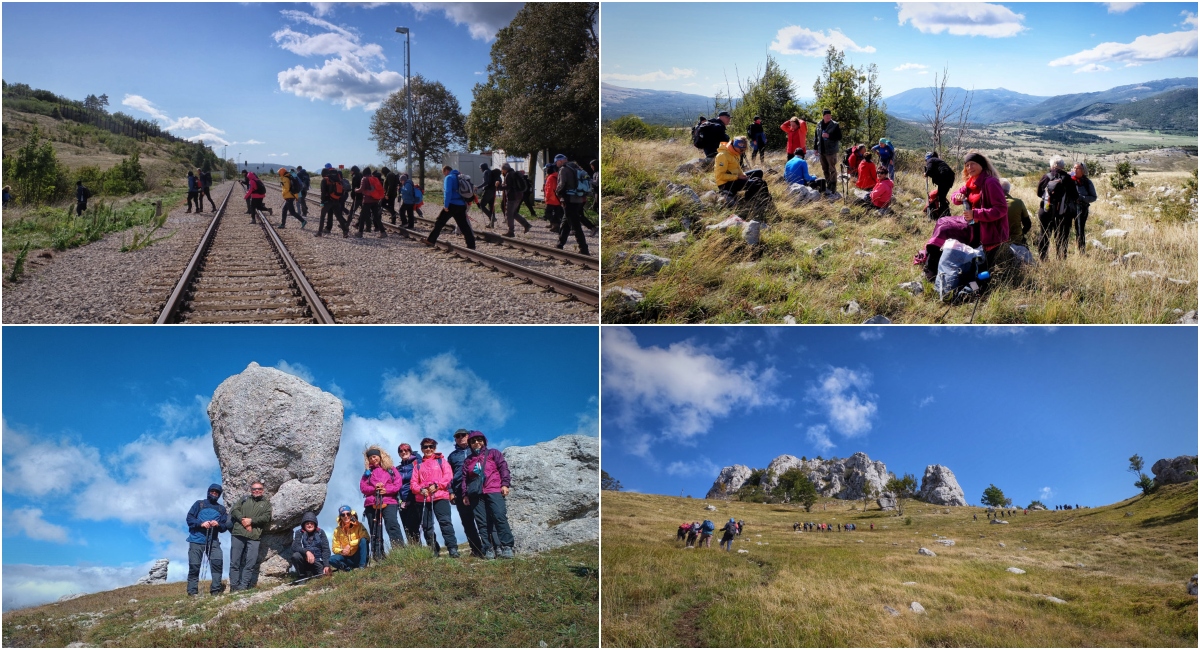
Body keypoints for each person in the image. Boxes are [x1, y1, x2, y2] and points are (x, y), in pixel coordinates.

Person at [461, 431, 515, 559]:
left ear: (484, 441)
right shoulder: (468, 461)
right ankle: (488, 548)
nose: (476, 443)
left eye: (479, 440)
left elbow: (503, 468)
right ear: (470, 444)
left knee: (499, 516)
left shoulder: (493, 453)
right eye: (473, 441)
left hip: (494, 489)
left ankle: (507, 546)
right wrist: (465, 494)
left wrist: (505, 484)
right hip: (475, 494)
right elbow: (464, 479)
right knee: (482, 522)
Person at [951, 151, 1010, 264]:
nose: (969, 167)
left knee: (984, 265)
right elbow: (954, 196)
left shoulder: (990, 182)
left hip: (990, 233)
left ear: (981, 164)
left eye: (973, 163)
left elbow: (1001, 209)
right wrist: (957, 197)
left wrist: (975, 214)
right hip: (975, 227)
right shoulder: (971, 182)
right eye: (967, 165)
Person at [411, 437, 459, 558]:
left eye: (431, 446)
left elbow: (448, 476)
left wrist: (437, 485)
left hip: (440, 496)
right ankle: (433, 549)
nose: (428, 449)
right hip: (423, 498)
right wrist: (420, 490)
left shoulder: (441, 461)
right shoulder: (417, 465)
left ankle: (452, 548)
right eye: (425, 447)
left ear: (435, 448)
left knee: (445, 522)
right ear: (422, 449)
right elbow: (413, 484)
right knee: (427, 526)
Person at [359, 446, 405, 559]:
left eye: (374, 457)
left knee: (392, 525)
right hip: (371, 503)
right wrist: (375, 488)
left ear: (380, 457)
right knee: (374, 529)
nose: (373, 459)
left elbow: (398, 484)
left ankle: (399, 552)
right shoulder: (367, 473)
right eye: (370, 458)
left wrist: (386, 490)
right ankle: (378, 556)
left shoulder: (391, 469)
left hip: (389, 501)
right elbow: (363, 487)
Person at [185, 483, 230, 596]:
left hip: (213, 540)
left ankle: (215, 591)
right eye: (212, 492)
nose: (214, 494)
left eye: (216, 493)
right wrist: (201, 524)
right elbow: (189, 518)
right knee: (194, 566)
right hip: (196, 539)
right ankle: (192, 592)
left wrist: (218, 524)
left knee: (217, 563)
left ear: (219, 495)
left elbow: (224, 527)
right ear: (208, 492)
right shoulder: (199, 504)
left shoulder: (221, 509)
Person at [447, 429, 485, 558]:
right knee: (467, 522)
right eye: (457, 436)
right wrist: (451, 492)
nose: (460, 438)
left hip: (476, 488)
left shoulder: (475, 449)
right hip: (459, 491)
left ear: (468, 436)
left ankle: (488, 546)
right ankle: (476, 549)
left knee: (482, 518)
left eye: (463, 435)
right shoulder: (452, 456)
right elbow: (449, 476)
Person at [229, 480, 271, 592]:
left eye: (259, 489)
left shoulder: (266, 504)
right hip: (238, 533)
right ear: (251, 490)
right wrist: (244, 521)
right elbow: (234, 510)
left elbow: (267, 518)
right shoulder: (244, 499)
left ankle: (243, 587)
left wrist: (251, 521)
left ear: (263, 490)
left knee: (250, 562)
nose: (257, 491)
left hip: (254, 536)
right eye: (254, 489)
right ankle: (234, 587)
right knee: (235, 561)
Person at [1035, 157, 1080, 260]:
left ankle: (1043, 258)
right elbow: (1075, 196)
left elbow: (1039, 193)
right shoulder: (1068, 178)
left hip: (1046, 210)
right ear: (1063, 166)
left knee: (1044, 234)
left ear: (1052, 166)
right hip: (1063, 212)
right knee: (1062, 236)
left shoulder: (1046, 177)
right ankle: (1060, 259)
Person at [426, 166, 477, 249]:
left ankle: (431, 240)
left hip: (451, 204)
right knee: (464, 226)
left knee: (439, 223)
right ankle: (471, 246)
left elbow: (448, 192)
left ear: (446, 171)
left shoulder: (449, 177)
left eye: (444, 173)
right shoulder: (460, 177)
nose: (444, 175)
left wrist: (446, 205)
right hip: (461, 205)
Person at [714, 137, 770, 211]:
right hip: (725, 184)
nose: (742, 152)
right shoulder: (722, 155)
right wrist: (738, 177)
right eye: (742, 149)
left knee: (759, 172)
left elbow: (737, 168)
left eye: (744, 150)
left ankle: (759, 196)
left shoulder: (735, 153)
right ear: (736, 146)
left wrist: (743, 175)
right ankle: (749, 201)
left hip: (735, 177)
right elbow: (720, 176)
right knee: (753, 183)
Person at [555, 155, 592, 254]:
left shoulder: (564, 169)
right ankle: (559, 244)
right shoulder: (577, 168)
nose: (556, 163)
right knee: (565, 222)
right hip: (579, 199)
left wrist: (557, 192)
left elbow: (562, 184)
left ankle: (584, 249)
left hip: (569, 199)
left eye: (557, 161)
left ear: (561, 161)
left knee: (575, 225)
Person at [289, 511, 331, 579]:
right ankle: (302, 576)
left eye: (311, 523)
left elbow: (325, 549)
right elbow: (295, 546)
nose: (309, 525)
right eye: (307, 523)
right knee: (296, 556)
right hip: (305, 561)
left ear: (315, 524)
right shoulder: (299, 533)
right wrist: (307, 552)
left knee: (323, 577)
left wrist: (326, 565)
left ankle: (315, 573)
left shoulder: (321, 532)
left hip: (318, 561)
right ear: (304, 525)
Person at [330, 505, 369, 572]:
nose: (346, 516)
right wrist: (342, 551)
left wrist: (350, 544)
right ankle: (347, 568)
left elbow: (366, 537)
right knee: (331, 559)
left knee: (363, 540)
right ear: (340, 517)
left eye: (348, 514)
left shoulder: (359, 525)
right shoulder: (337, 530)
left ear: (351, 514)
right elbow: (334, 548)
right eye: (343, 515)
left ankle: (362, 566)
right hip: (347, 557)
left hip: (358, 555)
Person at [396, 443, 422, 544]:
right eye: (401, 451)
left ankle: (432, 549)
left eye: (406, 450)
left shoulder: (417, 463)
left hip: (415, 498)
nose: (403, 452)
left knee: (419, 526)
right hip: (402, 502)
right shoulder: (398, 469)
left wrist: (411, 500)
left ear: (410, 451)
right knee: (407, 528)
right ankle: (415, 552)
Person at [499, 163, 532, 237]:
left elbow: (508, 186)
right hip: (519, 195)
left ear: (504, 169)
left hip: (512, 197)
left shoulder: (509, 175)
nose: (502, 172)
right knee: (513, 213)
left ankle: (511, 231)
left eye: (502, 170)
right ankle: (526, 225)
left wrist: (499, 187)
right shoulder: (514, 173)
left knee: (509, 214)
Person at [1072, 161, 1098, 253]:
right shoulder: (1069, 180)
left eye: (1077, 168)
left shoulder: (1087, 182)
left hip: (1082, 209)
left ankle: (1081, 251)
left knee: (1080, 230)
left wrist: (1082, 198)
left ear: (1083, 170)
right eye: (1074, 168)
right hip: (1069, 209)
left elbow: (1094, 197)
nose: (1075, 170)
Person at [354, 166, 386, 238]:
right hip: (375, 199)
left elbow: (361, 189)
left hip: (367, 201)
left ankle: (360, 232)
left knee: (362, 216)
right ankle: (383, 232)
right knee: (376, 217)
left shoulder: (364, 179)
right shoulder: (374, 178)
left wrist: (355, 190)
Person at [999, 179, 1032, 247]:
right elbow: (1028, 224)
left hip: (997, 242)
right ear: (1008, 190)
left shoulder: (990, 203)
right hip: (1016, 240)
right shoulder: (1018, 202)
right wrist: (1021, 234)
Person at [318, 164, 348, 237]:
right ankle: (345, 232)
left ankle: (319, 232)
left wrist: (322, 202)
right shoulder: (335, 179)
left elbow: (323, 192)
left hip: (328, 201)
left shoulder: (324, 180)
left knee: (322, 216)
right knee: (339, 217)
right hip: (336, 200)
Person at [814, 109, 842, 185]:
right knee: (824, 168)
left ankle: (833, 184)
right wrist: (815, 148)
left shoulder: (835, 125)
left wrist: (829, 136)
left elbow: (839, 137)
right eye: (827, 115)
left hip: (831, 151)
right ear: (823, 116)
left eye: (830, 115)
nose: (828, 117)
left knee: (832, 169)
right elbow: (816, 137)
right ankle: (828, 182)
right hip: (821, 150)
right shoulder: (819, 124)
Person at [924, 152, 956, 219]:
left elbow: (929, 169)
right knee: (942, 197)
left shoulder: (931, 160)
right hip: (950, 177)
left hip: (944, 177)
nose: (926, 162)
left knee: (941, 198)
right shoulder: (937, 161)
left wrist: (926, 173)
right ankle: (944, 213)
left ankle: (945, 214)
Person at [479, 163, 502, 228]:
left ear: (482, 167)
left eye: (480, 168)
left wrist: (478, 187)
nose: (480, 169)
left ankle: (492, 217)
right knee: (491, 207)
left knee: (481, 205)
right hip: (494, 190)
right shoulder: (491, 172)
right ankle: (491, 224)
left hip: (488, 191)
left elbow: (486, 182)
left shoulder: (486, 172)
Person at [543, 163, 563, 232]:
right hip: (558, 198)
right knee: (557, 212)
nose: (545, 171)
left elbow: (549, 189)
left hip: (551, 199)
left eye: (546, 169)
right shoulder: (557, 175)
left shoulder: (550, 177)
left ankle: (555, 225)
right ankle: (554, 224)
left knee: (547, 213)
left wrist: (546, 197)